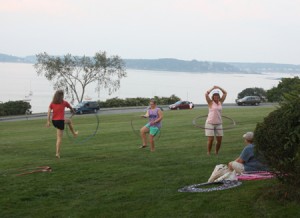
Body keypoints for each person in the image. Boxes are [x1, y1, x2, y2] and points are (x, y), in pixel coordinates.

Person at [46, 90, 78, 158]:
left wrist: (48, 121)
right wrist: (73, 111)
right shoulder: (64, 102)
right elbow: (71, 108)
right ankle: (74, 134)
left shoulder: (52, 103)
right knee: (59, 138)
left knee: (68, 121)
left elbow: (48, 112)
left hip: (54, 122)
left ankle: (74, 134)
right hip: (60, 121)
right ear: (61, 96)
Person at [205, 85, 227, 155]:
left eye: (217, 95)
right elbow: (206, 94)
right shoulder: (210, 102)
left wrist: (219, 88)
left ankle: (216, 152)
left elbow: (225, 93)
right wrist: (213, 88)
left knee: (219, 140)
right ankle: (208, 152)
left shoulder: (221, 102)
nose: (216, 96)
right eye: (215, 95)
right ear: (213, 96)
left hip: (219, 123)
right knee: (211, 139)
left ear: (219, 96)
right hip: (210, 123)